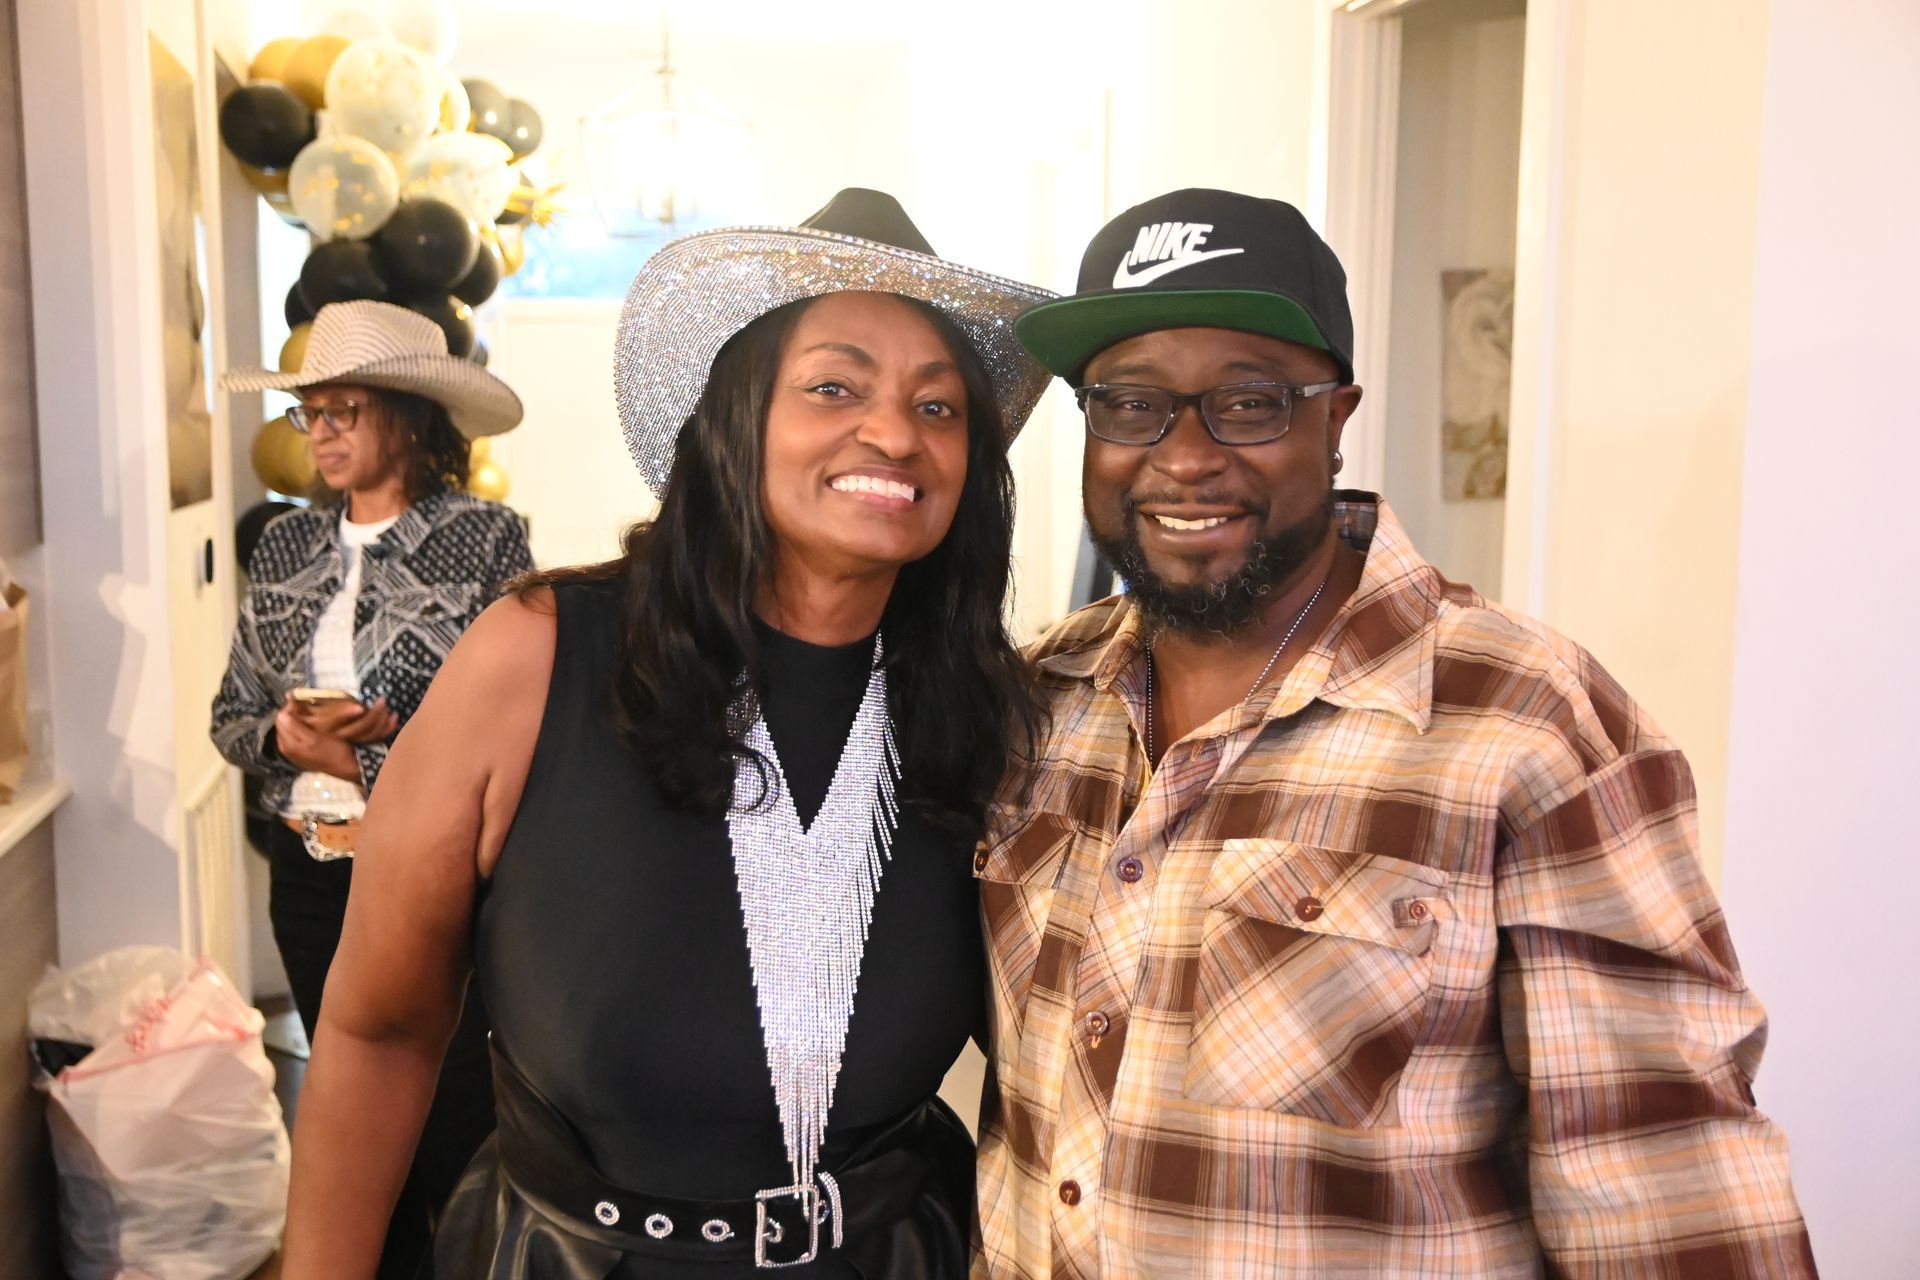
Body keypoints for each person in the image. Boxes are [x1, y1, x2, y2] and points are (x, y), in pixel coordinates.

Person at [972, 189, 1815, 1276]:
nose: (1184, 457)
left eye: (1249, 403)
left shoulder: (1526, 721)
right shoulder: (1037, 703)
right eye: (1131, 405)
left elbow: (1667, 1191)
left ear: (1336, 419)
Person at [274, 189, 1055, 1279]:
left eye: (939, 406)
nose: (893, 433)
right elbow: (379, 1029)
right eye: (834, 387)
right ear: (735, 415)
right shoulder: (537, 658)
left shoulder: (982, 716)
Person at [211, 299, 534, 1278]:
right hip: (310, 872)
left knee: (454, 1115)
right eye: (309, 411)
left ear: (408, 415)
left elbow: (520, 721)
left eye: (344, 409)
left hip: (432, 863)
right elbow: (230, 715)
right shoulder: (282, 546)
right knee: (349, 1116)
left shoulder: (486, 540)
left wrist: (372, 761)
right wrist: (287, 737)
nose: (320, 431)